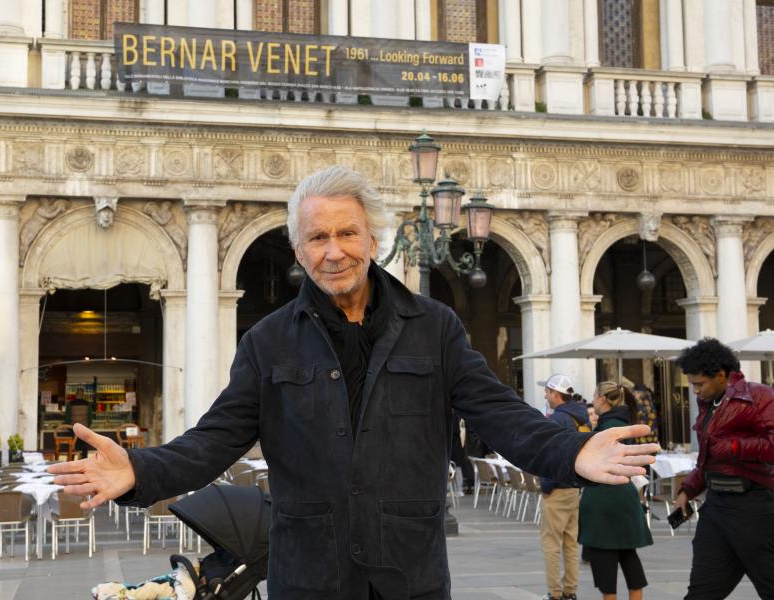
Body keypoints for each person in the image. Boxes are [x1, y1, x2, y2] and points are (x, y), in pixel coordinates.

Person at [51, 166, 659, 600]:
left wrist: (574, 449)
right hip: (310, 577)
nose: (334, 251)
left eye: (347, 234)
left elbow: (500, 414)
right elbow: (213, 440)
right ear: (298, 248)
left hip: (410, 576)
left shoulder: (435, 328)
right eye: (318, 237)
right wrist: (140, 471)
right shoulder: (268, 341)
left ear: (374, 239)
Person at [674, 338, 774, 599]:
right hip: (717, 507)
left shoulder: (759, 395)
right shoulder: (709, 404)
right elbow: (709, 457)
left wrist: (734, 447)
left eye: (699, 384)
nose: (695, 391)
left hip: (755, 506)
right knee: (701, 592)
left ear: (721, 375)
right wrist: (689, 488)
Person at [579, 381, 652, 600]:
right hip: (625, 497)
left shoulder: (605, 428)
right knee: (630, 560)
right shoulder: (625, 423)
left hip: (603, 500)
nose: (592, 400)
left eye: (594, 396)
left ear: (602, 399)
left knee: (606, 575)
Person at [537, 374, 590, 600]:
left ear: (556, 394)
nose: (545, 396)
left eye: (548, 392)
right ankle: (570, 590)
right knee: (570, 542)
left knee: (551, 544)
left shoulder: (557, 419)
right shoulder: (581, 417)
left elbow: (548, 454)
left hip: (558, 486)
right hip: (574, 486)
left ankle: (555, 593)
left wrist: (546, 484)